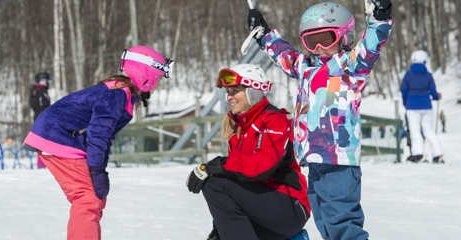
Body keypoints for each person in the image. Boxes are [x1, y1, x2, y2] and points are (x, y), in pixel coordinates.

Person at [247, 1, 393, 239]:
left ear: (344, 37)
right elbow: (284, 55)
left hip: (339, 161)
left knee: (342, 222)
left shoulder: (351, 66)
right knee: (325, 223)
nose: (318, 47)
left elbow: (371, 46)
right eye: (310, 41)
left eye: (325, 39)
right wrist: (264, 36)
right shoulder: (304, 66)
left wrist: (379, 19)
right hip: (313, 161)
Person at [23, 46, 173, 240]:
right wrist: (96, 170)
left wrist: (99, 167)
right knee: (87, 199)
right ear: (147, 76)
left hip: (62, 136)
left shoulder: (123, 95)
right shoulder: (117, 94)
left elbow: (105, 136)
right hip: (56, 134)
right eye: (158, 79)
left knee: (95, 197)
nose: (158, 86)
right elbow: (98, 133)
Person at [186, 64, 310, 240]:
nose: (229, 97)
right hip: (263, 208)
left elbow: (261, 167)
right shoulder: (238, 129)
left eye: (235, 91)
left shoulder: (274, 121)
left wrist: (221, 165)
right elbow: (237, 183)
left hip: (290, 206)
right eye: (228, 92)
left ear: (254, 91)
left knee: (215, 183)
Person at [400, 50, 444, 164]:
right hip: (426, 105)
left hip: (412, 105)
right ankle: (438, 154)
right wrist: (436, 97)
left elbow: (404, 90)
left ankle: (418, 154)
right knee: (429, 130)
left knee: (415, 131)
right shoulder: (428, 75)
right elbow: (433, 91)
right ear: (424, 61)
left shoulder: (408, 74)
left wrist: (405, 102)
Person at [30, 72, 52, 169]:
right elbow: (42, 106)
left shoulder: (35, 91)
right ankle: (42, 164)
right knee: (43, 143)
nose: (47, 84)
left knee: (42, 142)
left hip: (39, 118)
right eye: (46, 81)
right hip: (42, 119)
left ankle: (42, 164)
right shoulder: (41, 92)